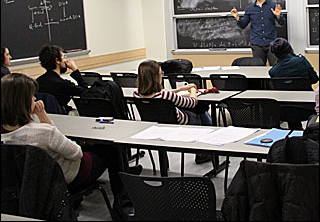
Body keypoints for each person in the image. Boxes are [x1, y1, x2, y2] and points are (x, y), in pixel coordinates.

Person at [1, 73, 130, 220]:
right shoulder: (43, 132)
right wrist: (43, 115)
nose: (35, 99)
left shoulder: (6, 136)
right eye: (32, 96)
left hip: (29, 186)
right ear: (22, 102)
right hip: (68, 176)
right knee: (113, 149)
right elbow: (76, 153)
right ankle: (122, 204)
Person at [134, 60, 212, 126]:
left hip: (154, 124)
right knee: (201, 109)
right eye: (161, 73)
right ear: (156, 77)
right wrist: (193, 89)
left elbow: (160, 93)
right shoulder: (167, 96)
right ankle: (210, 129)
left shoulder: (136, 94)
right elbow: (192, 102)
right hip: (180, 123)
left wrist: (180, 89)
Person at [268, 38, 319, 130]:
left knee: (292, 114)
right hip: (308, 107)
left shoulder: (273, 71)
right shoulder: (301, 61)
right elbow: (315, 79)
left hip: (285, 109)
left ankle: (295, 135)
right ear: (289, 48)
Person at [231, 0, 284, 66]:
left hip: (271, 43)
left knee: (275, 67)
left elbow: (282, 23)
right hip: (257, 44)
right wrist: (237, 17)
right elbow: (243, 25)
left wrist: (278, 16)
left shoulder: (273, 6)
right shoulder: (250, 8)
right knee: (258, 69)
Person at [36, 44, 88, 113]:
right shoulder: (62, 84)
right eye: (63, 57)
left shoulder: (38, 81)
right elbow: (86, 92)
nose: (66, 61)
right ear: (57, 60)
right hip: (62, 117)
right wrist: (75, 70)